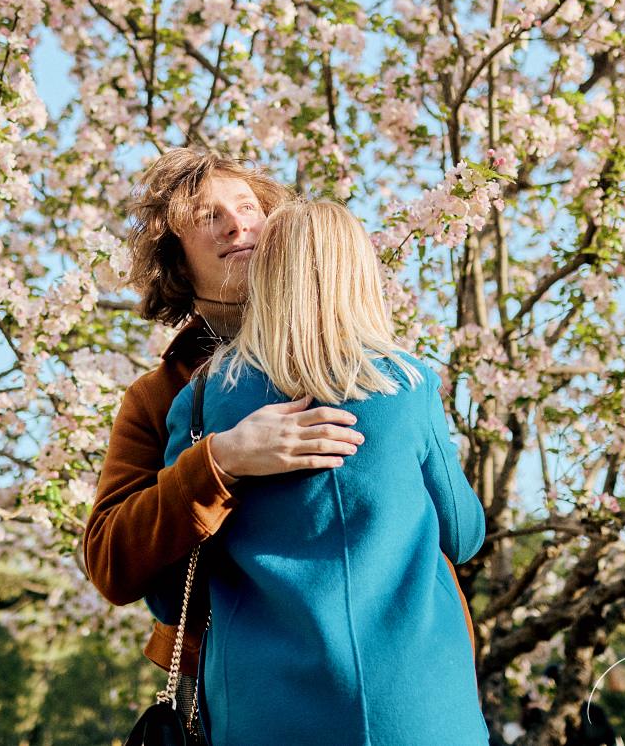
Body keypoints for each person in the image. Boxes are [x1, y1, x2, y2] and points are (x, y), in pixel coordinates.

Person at [150, 200, 489, 745]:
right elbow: (465, 536)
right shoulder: (408, 384)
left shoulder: (203, 402)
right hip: (420, 709)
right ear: (359, 274)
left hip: (265, 716)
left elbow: (169, 593)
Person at [82, 148, 376, 689]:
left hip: (380, 666)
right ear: (176, 259)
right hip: (239, 684)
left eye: (247, 207)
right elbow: (109, 560)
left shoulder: (361, 357)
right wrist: (220, 461)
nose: (238, 224)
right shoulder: (157, 396)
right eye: (207, 216)